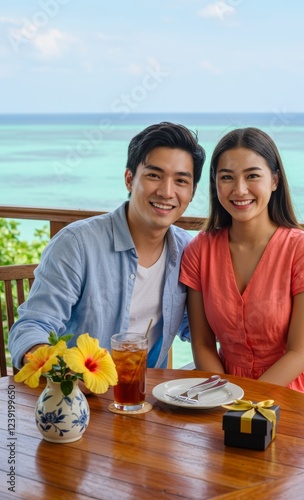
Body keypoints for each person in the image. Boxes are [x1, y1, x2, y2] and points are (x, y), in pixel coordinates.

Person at [9, 122, 206, 370]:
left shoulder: (187, 250)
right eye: (154, 175)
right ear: (129, 179)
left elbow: (198, 327)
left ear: (192, 190)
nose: (167, 192)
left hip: (147, 397)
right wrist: (66, 374)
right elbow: (32, 327)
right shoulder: (77, 244)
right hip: (79, 399)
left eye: (180, 181)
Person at [180, 127, 304, 412]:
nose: (240, 189)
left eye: (252, 175)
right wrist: (226, 397)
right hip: (224, 389)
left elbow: (298, 353)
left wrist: (248, 403)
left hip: (298, 392)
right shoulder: (200, 250)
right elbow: (203, 344)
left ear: (274, 180)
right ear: (215, 184)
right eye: (227, 178)